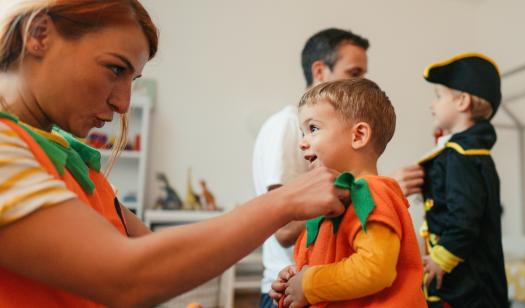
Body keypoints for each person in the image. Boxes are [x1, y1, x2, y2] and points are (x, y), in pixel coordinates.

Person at [0, 1, 347, 306]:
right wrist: (284, 202)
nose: (122, 103)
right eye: (115, 69)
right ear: (40, 34)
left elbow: (159, 261)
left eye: (131, 81)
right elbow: (128, 276)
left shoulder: (72, 163)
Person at [274, 78, 427, 307]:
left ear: (358, 136)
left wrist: (309, 284)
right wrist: (293, 280)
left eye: (313, 128)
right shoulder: (327, 203)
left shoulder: (371, 194)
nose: (302, 143)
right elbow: (326, 268)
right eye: (302, 132)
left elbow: (375, 268)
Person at [253, 28, 369, 308]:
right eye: (354, 74)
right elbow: (283, 230)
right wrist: (364, 193)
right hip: (289, 291)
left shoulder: (324, 132)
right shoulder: (288, 126)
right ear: (320, 71)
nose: (362, 84)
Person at [418, 53, 508, 307]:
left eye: (438, 96)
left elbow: (465, 219)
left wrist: (440, 260)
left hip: (468, 286)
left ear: (462, 101)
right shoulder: (469, 151)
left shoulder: (461, 155)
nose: (432, 105)